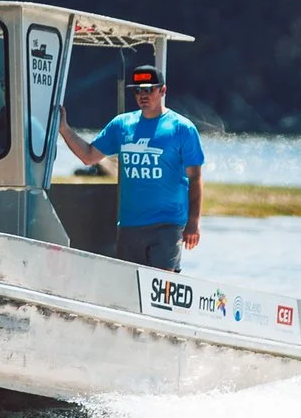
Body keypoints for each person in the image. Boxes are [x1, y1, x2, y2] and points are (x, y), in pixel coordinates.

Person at [57, 59, 204, 271]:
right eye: (137, 91)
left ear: (162, 90)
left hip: (167, 224)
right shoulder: (122, 125)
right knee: (130, 291)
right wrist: (64, 129)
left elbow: (195, 177)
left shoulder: (182, 129)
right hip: (130, 225)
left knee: (161, 288)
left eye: (148, 90)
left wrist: (193, 221)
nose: (142, 95)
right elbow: (88, 156)